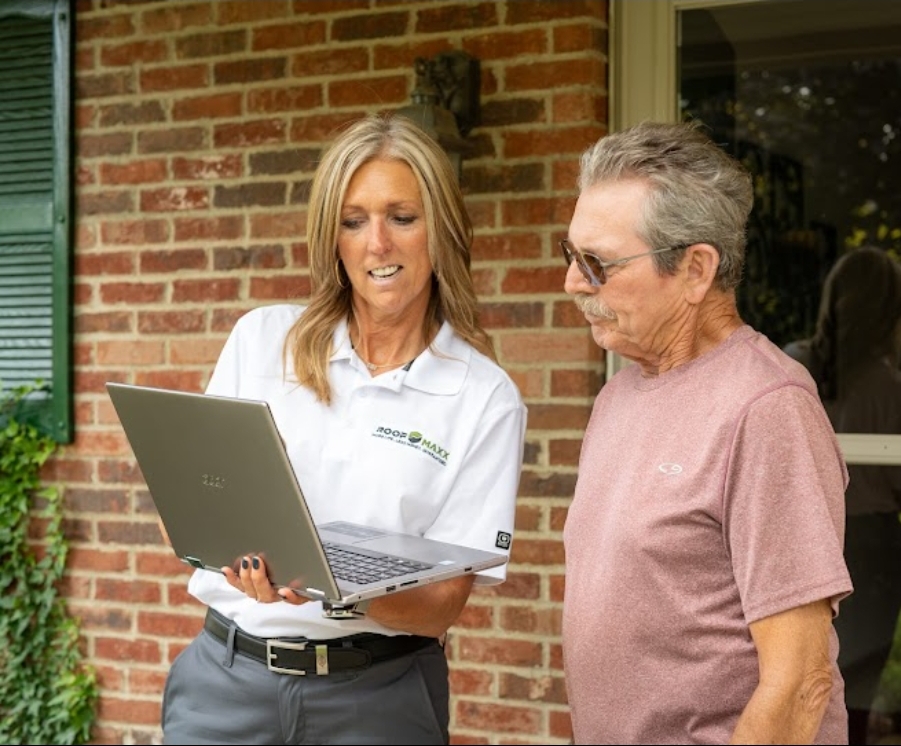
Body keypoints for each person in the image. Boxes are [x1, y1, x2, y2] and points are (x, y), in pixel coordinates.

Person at [158, 114, 528, 745]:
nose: (376, 243)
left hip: (377, 699)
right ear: (332, 238)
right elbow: (193, 513)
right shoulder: (261, 341)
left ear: (440, 230)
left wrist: (326, 587)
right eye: (354, 221)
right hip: (226, 685)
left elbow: (444, 602)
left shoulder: (484, 397)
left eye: (401, 217)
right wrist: (231, 550)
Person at [559, 120, 853, 744]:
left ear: (696, 269)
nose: (573, 283)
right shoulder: (619, 392)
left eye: (597, 263)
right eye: (570, 255)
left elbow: (801, 681)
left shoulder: (768, 407)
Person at [784, 246, 901, 745]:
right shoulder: (900, 393)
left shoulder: (788, 366)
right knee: (857, 689)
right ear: (894, 315)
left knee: (791, 671)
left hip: (796, 535)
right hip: (870, 546)